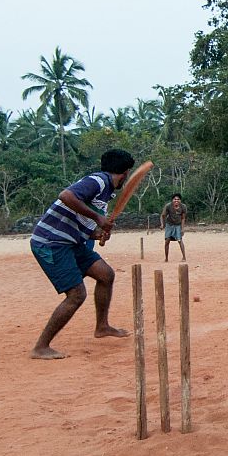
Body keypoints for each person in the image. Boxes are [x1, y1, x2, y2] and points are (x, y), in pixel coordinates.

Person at [29, 149, 135, 360]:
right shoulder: (99, 181)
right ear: (124, 173)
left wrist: (97, 233)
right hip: (51, 243)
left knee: (106, 275)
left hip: (71, 242)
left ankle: (102, 327)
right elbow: (66, 196)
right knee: (77, 295)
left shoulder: (105, 191)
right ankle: (41, 347)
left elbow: (80, 220)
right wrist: (98, 218)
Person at [160, 193, 187, 262]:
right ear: (172, 200)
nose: (176, 201)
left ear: (180, 200)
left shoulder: (183, 207)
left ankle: (184, 257)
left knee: (180, 240)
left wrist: (182, 229)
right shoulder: (168, 206)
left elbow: (183, 218)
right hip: (169, 224)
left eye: (178, 199)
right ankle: (166, 258)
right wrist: (162, 224)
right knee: (167, 241)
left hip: (178, 225)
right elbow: (162, 215)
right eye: (175, 199)